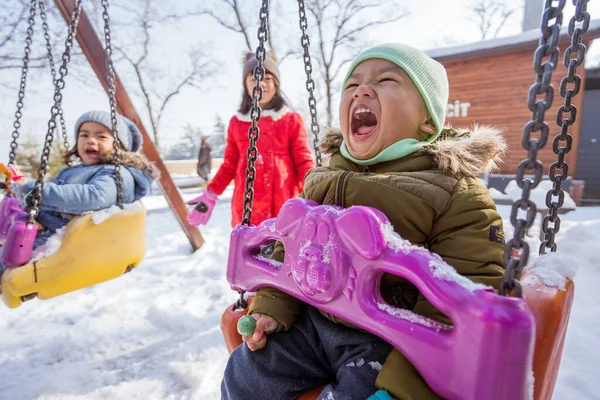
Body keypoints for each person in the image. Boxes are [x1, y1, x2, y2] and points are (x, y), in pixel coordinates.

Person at [221, 43, 507, 400]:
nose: (362, 90)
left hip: (388, 341)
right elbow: (291, 255)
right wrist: (273, 305)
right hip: (313, 323)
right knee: (245, 374)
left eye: (386, 80)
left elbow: (462, 293)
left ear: (427, 120)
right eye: (352, 84)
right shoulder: (322, 178)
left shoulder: (454, 191)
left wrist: (406, 386)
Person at [186, 51, 315, 228]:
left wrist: (317, 190)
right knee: (249, 252)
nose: (261, 84)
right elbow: (229, 165)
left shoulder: (290, 119)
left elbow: (303, 161)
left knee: (283, 252)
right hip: (247, 209)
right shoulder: (237, 123)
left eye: (267, 78)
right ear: (246, 85)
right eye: (254, 79)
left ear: (276, 83)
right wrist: (211, 193)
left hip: (284, 206)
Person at [7, 110, 157, 251]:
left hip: (65, 242)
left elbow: (95, 197)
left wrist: (32, 190)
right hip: (44, 230)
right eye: (84, 135)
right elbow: (52, 188)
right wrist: (22, 187)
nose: (90, 140)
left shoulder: (117, 173)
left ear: (121, 146)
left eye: (101, 136)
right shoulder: (72, 170)